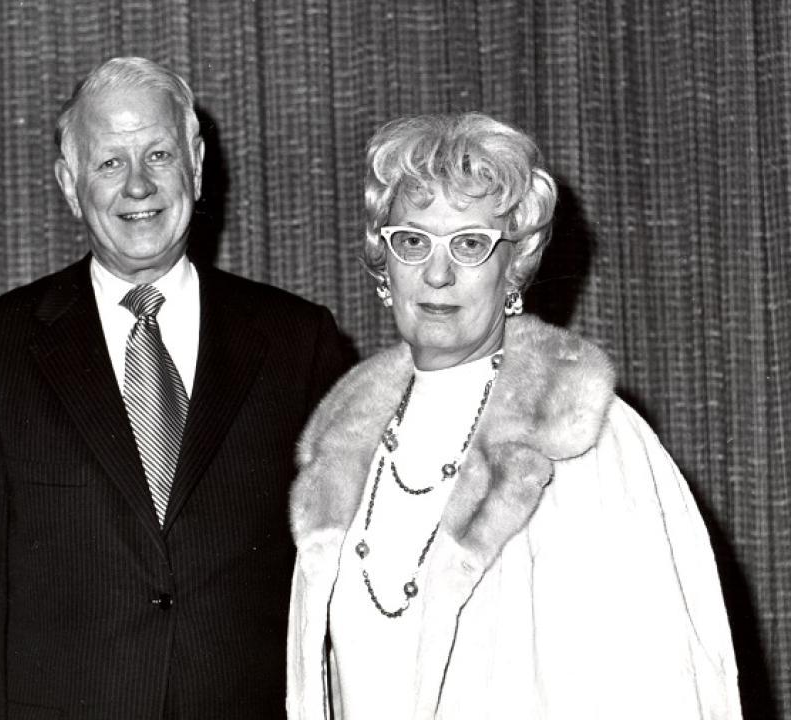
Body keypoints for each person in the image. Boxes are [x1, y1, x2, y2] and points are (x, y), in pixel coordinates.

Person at [0, 56, 352, 719]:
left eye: (158, 154)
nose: (138, 186)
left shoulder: (298, 341)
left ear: (198, 164)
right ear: (70, 185)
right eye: (109, 164)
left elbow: (345, 583)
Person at [286, 112, 741, 718]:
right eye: (412, 241)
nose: (438, 272)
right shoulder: (345, 449)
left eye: (470, 243)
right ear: (384, 267)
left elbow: (658, 688)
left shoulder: (586, 441)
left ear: (514, 267)